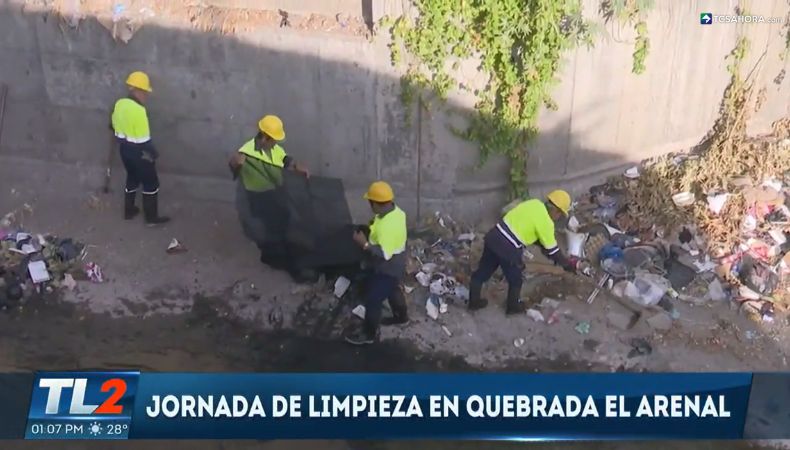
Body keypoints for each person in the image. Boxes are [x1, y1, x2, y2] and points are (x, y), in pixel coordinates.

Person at [468, 190, 587, 315]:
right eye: (560, 214)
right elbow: (553, 251)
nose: (558, 217)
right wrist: (567, 265)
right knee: (516, 280)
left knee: (483, 272)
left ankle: (473, 302)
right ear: (556, 210)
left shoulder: (534, 203)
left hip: (494, 236)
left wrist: (547, 250)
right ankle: (513, 308)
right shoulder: (546, 223)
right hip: (509, 248)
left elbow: (529, 230)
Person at [228, 115, 310, 277]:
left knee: (283, 220)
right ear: (264, 138)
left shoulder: (272, 148)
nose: (276, 143)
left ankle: (272, 253)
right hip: (259, 197)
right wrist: (235, 163)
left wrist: (296, 166)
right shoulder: (247, 153)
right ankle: (280, 259)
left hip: (275, 192)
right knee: (274, 226)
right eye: (274, 140)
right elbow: (234, 167)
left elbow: (284, 158)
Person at [344, 181, 409, 345]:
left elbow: (384, 254)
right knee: (393, 288)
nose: (369, 205)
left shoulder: (386, 227)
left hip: (388, 267)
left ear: (376, 204)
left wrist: (364, 243)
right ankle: (401, 317)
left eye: (370, 202)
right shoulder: (397, 212)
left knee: (373, 299)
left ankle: (369, 334)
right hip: (399, 262)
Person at [111, 71, 170, 225]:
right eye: (145, 92)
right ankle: (151, 218)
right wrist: (154, 155)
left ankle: (128, 211)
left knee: (132, 177)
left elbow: (113, 126)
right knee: (151, 183)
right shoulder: (139, 111)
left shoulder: (119, 104)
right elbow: (144, 140)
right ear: (137, 90)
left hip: (124, 150)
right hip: (140, 153)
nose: (146, 96)